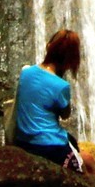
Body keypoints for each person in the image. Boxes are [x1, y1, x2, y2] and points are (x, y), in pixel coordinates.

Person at [13, 29, 83, 170]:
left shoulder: (25, 72)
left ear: (48, 46)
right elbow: (65, 114)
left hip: (23, 142)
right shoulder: (61, 86)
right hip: (50, 147)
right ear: (70, 61)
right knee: (88, 164)